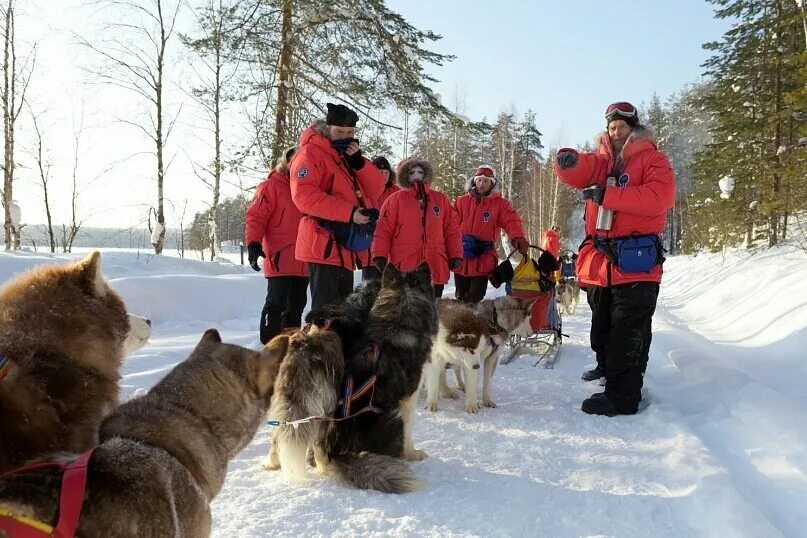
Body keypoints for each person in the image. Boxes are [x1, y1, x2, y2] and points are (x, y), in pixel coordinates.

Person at [554, 101, 675, 416]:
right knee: (604, 326)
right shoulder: (603, 160)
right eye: (611, 126)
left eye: (622, 125)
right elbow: (582, 170)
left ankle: (623, 396)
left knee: (629, 331)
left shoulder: (653, 160)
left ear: (633, 128)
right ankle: (610, 372)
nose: (616, 130)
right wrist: (566, 161)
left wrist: (608, 196)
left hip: (636, 263)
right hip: (602, 263)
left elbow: (660, 198)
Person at [290, 103, 385, 311]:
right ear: (327, 129)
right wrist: (349, 213)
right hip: (323, 244)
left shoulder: (346, 158)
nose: (344, 136)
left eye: (349, 132)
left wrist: (359, 163)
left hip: (345, 247)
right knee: (325, 316)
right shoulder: (310, 153)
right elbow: (303, 195)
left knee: (343, 317)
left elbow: (377, 188)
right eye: (339, 131)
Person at [371, 157, 462, 298]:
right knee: (407, 311)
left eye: (420, 172)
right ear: (405, 175)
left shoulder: (440, 199)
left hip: (435, 264)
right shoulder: (395, 200)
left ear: (426, 174)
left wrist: (455, 254)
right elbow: (383, 230)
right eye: (412, 172)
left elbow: (452, 230)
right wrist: (379, 255)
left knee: (433, 311)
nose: (417, 175)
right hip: (405, 266)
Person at [245, 146, 308, 344]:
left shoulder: (309, 188)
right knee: (276, 304)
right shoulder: (270, 186)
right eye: (292, 159)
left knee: (296, 306)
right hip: (279, 258)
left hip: (304, 259)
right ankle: (269, 347)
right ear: (286, 162)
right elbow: (255, 216)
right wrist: (253, 243)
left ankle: (290, 348)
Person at [453, 165, 529, 303]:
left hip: (483, 257)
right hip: (462, 256)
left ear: (492, 184)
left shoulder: (500, 205)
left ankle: (470, 319)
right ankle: (462, 321)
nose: (481, 183)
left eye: (486, 181)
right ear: (474, 181)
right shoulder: (461, 201)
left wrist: (517, 237)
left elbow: (511, 221)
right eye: (479, 180)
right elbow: (449, 224)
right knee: (460, 296)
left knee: (476, 295)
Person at [361, 156, 400, 282]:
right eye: (380, 172)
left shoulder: (397, 193)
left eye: (386, 172)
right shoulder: (364, 191)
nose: (383, 175)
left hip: (391, 255)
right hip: (369, 253)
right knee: (370, 294)